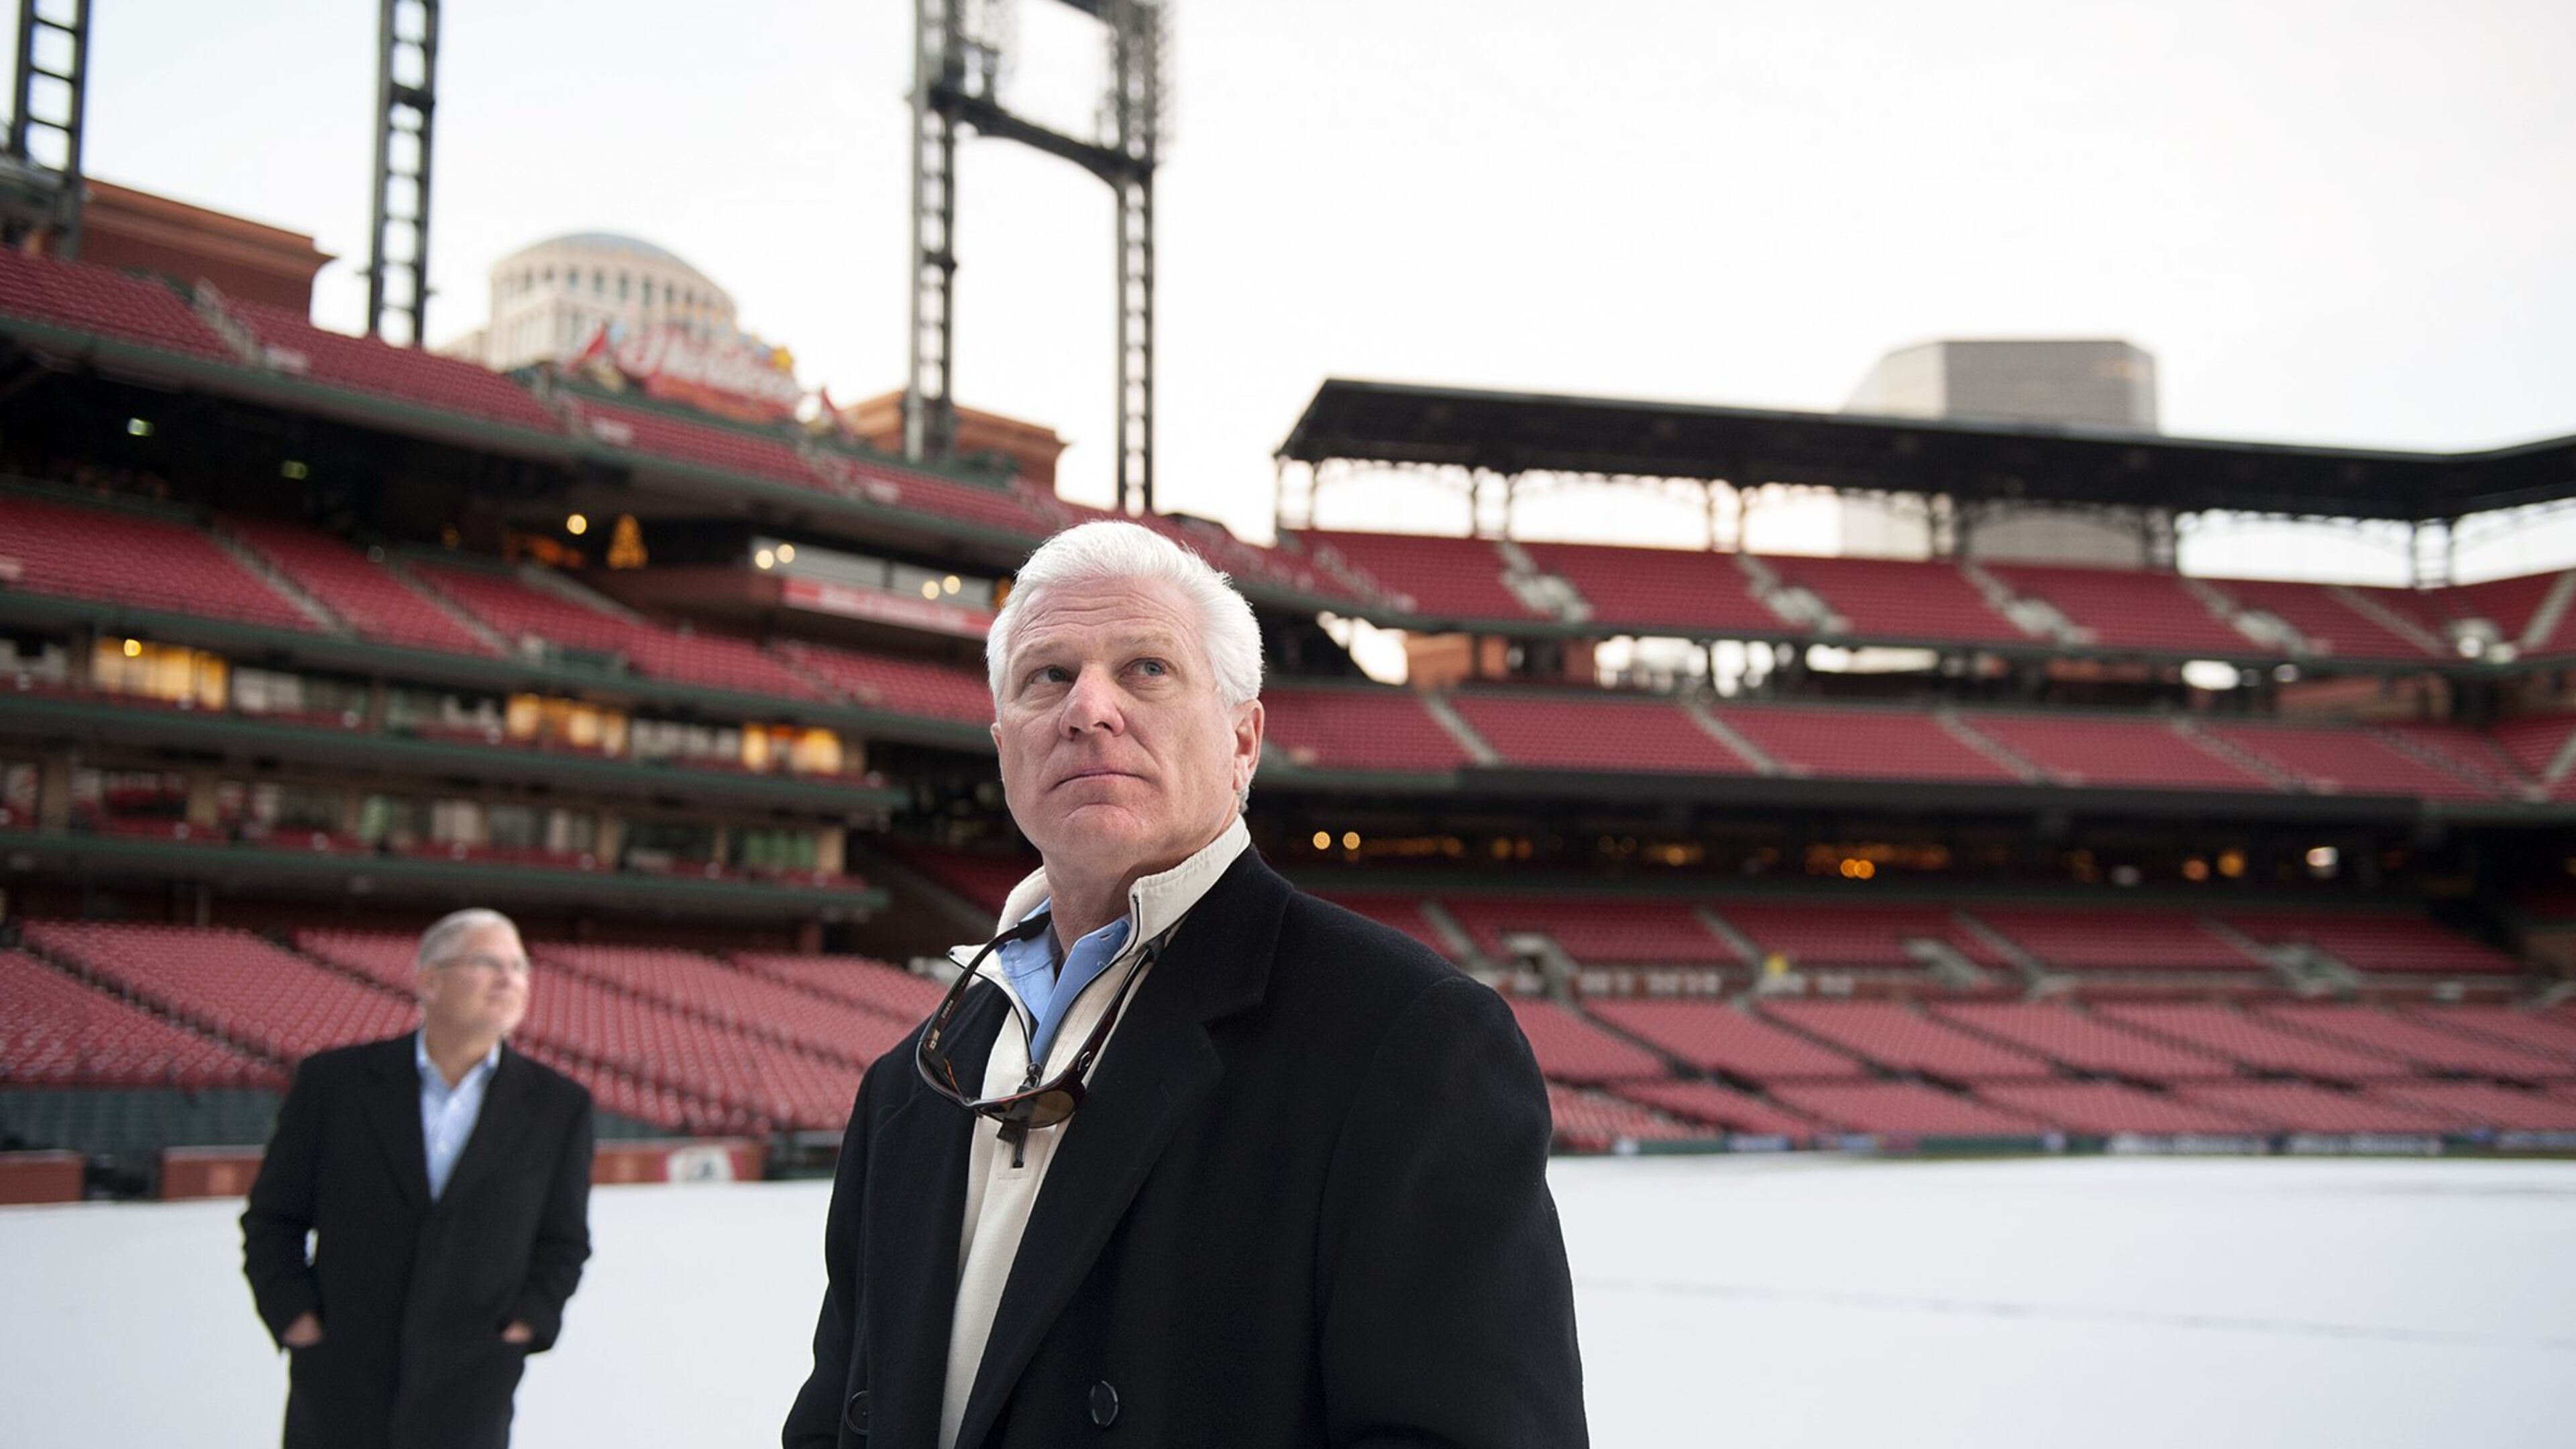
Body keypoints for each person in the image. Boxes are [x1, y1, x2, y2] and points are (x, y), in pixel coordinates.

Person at [784, 521, 1586, 1449]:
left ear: (1243, 739)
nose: (1088, 708)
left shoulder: (1404, 1039)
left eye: (1146, 670)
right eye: (1047, 676)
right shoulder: (908, 1089)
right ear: (1004, 745)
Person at [242, 908, 594, 1449]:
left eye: (520, 966)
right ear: (428, 979)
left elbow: (563, 1240)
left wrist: (525, 1324)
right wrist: (296, 1318)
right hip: (339, 1378)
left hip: (472, 1385)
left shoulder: (557, 1105)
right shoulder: (335, 1085)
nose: (510, 978)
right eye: (487, 962)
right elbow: (273, 1219)